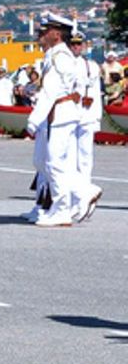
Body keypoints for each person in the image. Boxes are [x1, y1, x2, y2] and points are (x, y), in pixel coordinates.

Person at [26, 14, 98, 227]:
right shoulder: (59, 55)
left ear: (56, 34)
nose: (42, 34)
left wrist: (33, 120)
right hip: (62, 112)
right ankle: (69, 201)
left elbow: (51, 91)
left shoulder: (60, 57)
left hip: (61, 113)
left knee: (54, 163)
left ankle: (65, 207)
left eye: (47, 31)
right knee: (52, 163)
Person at [71, 29, 103, 221]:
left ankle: (84, 195)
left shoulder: (91, 66)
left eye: (79, 44)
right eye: (73, 44)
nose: (76, 47)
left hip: (85, 115)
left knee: (84, 158)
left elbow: (93, 92)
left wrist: (96, 117)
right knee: (72, 159)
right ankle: (80, 197)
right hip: (73, 115)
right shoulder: (69, 63)